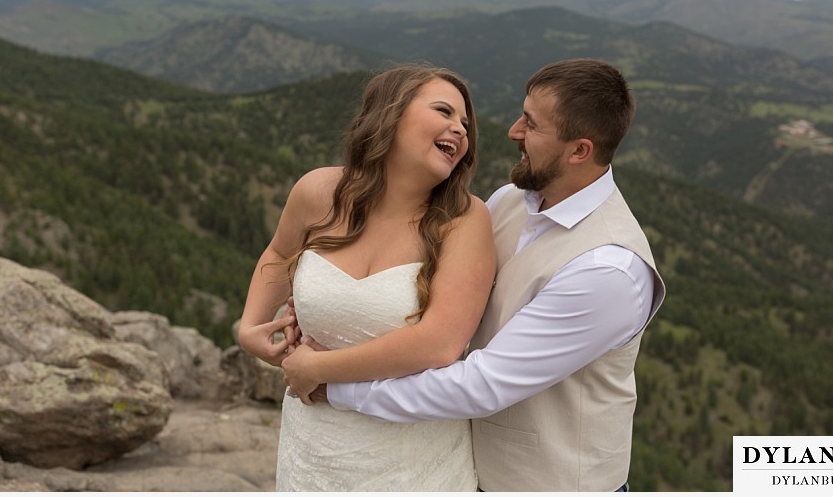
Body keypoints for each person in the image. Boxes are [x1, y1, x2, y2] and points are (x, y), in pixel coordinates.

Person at [283, 58, 667, 492]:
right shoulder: (506, 203)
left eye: (532, 125)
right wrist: (333, 305)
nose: (513, 132)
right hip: (460, 468)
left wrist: (332, 387)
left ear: (580, 151)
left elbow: (482, 386)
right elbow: (444, 298)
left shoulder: (609, 270)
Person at [237, 64, 496, 491]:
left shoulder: (464, 219)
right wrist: (250, 328)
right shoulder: (318, 192)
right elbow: (280, 251)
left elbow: (440, 343)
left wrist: (316, 367)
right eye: (444, 112)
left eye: (465, 124)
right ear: (391, 114)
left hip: (411, 462)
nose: (461, 130)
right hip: (313, 450)